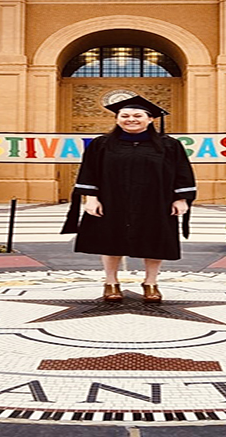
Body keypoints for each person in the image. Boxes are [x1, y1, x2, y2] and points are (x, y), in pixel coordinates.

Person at [61, 96, 196, 303]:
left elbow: (182, 172)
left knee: (155, 239)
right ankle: (111, 282)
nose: (130, 119)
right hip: (111, 200)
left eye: (137, 116)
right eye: (124, 116)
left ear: (150, 119)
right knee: (110, 238)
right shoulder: (101, 144)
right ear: (117, 119)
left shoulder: (169, 145)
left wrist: (181, 199)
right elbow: (89, 172)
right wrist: (91, 197)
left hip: (156, 201)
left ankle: (151, 283)